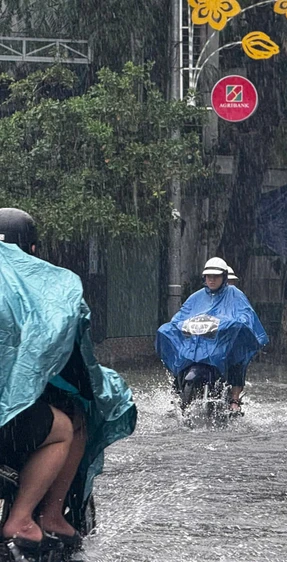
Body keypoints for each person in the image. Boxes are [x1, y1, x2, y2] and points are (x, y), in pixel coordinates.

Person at [0, 208, 137, 559]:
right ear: (31, 247)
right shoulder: (46, 286)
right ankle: (36, 517)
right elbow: (81, 362)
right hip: (11, 424)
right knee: (69, 423)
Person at [166, 257, 267, 414]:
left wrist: (233, 324)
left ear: (224, 277)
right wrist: (176, 325)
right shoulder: (196, 297)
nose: (211, 280)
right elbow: (182, 315)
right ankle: (177, 394)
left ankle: (234, 399)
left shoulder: (235, 294)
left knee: (237, 359)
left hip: (225, 343)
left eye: (216, 276)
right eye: (208, 276)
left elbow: (245, 314)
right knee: (181, 358)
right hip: (201, 344)